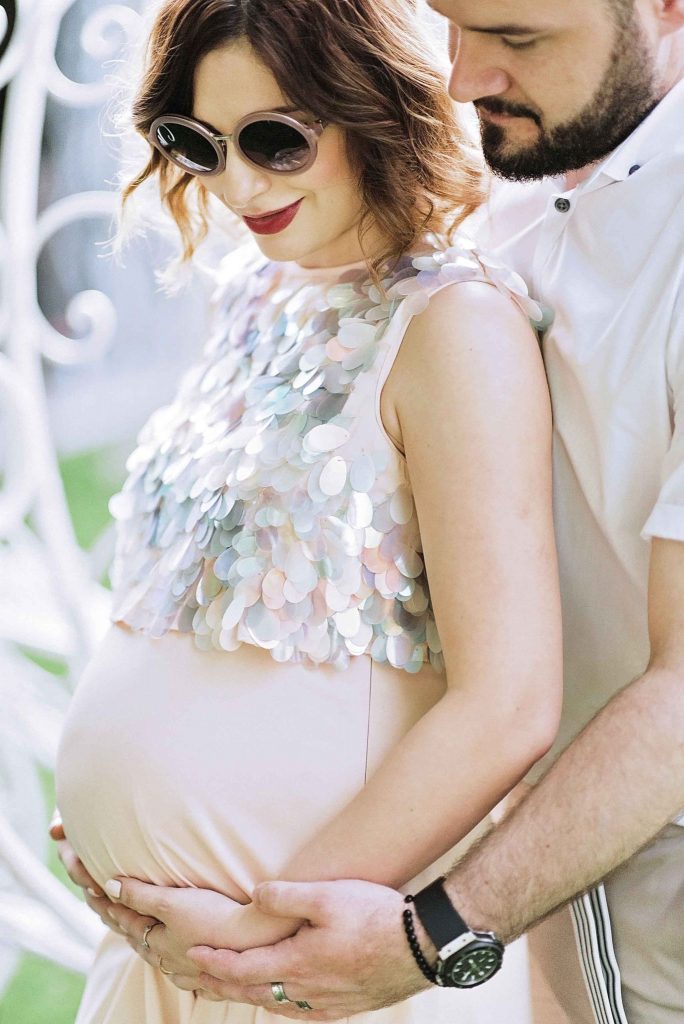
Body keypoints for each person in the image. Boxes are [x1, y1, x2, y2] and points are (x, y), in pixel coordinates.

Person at [53, 0, 684, 1021]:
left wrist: (260, 932)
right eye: (196, 143)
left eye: (276, 140)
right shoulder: (261, 290)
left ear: (367, 107)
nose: (237, 184)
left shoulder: (457, 319)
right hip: (179, 956)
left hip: (315, 953)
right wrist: (119, 801)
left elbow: (514, 700)